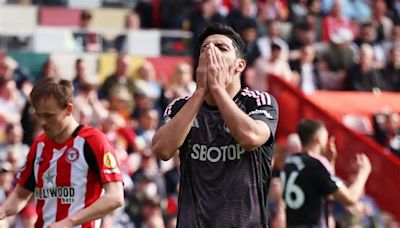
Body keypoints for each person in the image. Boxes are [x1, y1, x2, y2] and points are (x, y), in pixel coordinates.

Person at [152, 23, 279, 227]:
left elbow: (251, 138)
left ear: (240, 65)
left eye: (221, 47)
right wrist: (201, 91)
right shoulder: (180, 106)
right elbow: (161, 149)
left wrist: (217, 88)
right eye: (205, 49)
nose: (210, 52)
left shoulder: (257, 101)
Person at [0, 78, 124, 227]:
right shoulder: (39, 145)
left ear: (68, 109)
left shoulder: (94, 141)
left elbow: (115, 197)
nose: (43, 122)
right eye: (39, 116)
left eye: (49, 115)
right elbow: (20, 195)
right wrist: (2, 210)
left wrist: (69, 222)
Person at [281, 119, 372, 227]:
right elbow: (350, 199)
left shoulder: (290, 161)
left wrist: (330, 162)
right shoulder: (316, 165)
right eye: (326, 135)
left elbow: (328, 194)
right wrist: (364, 172)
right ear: (319, 138)